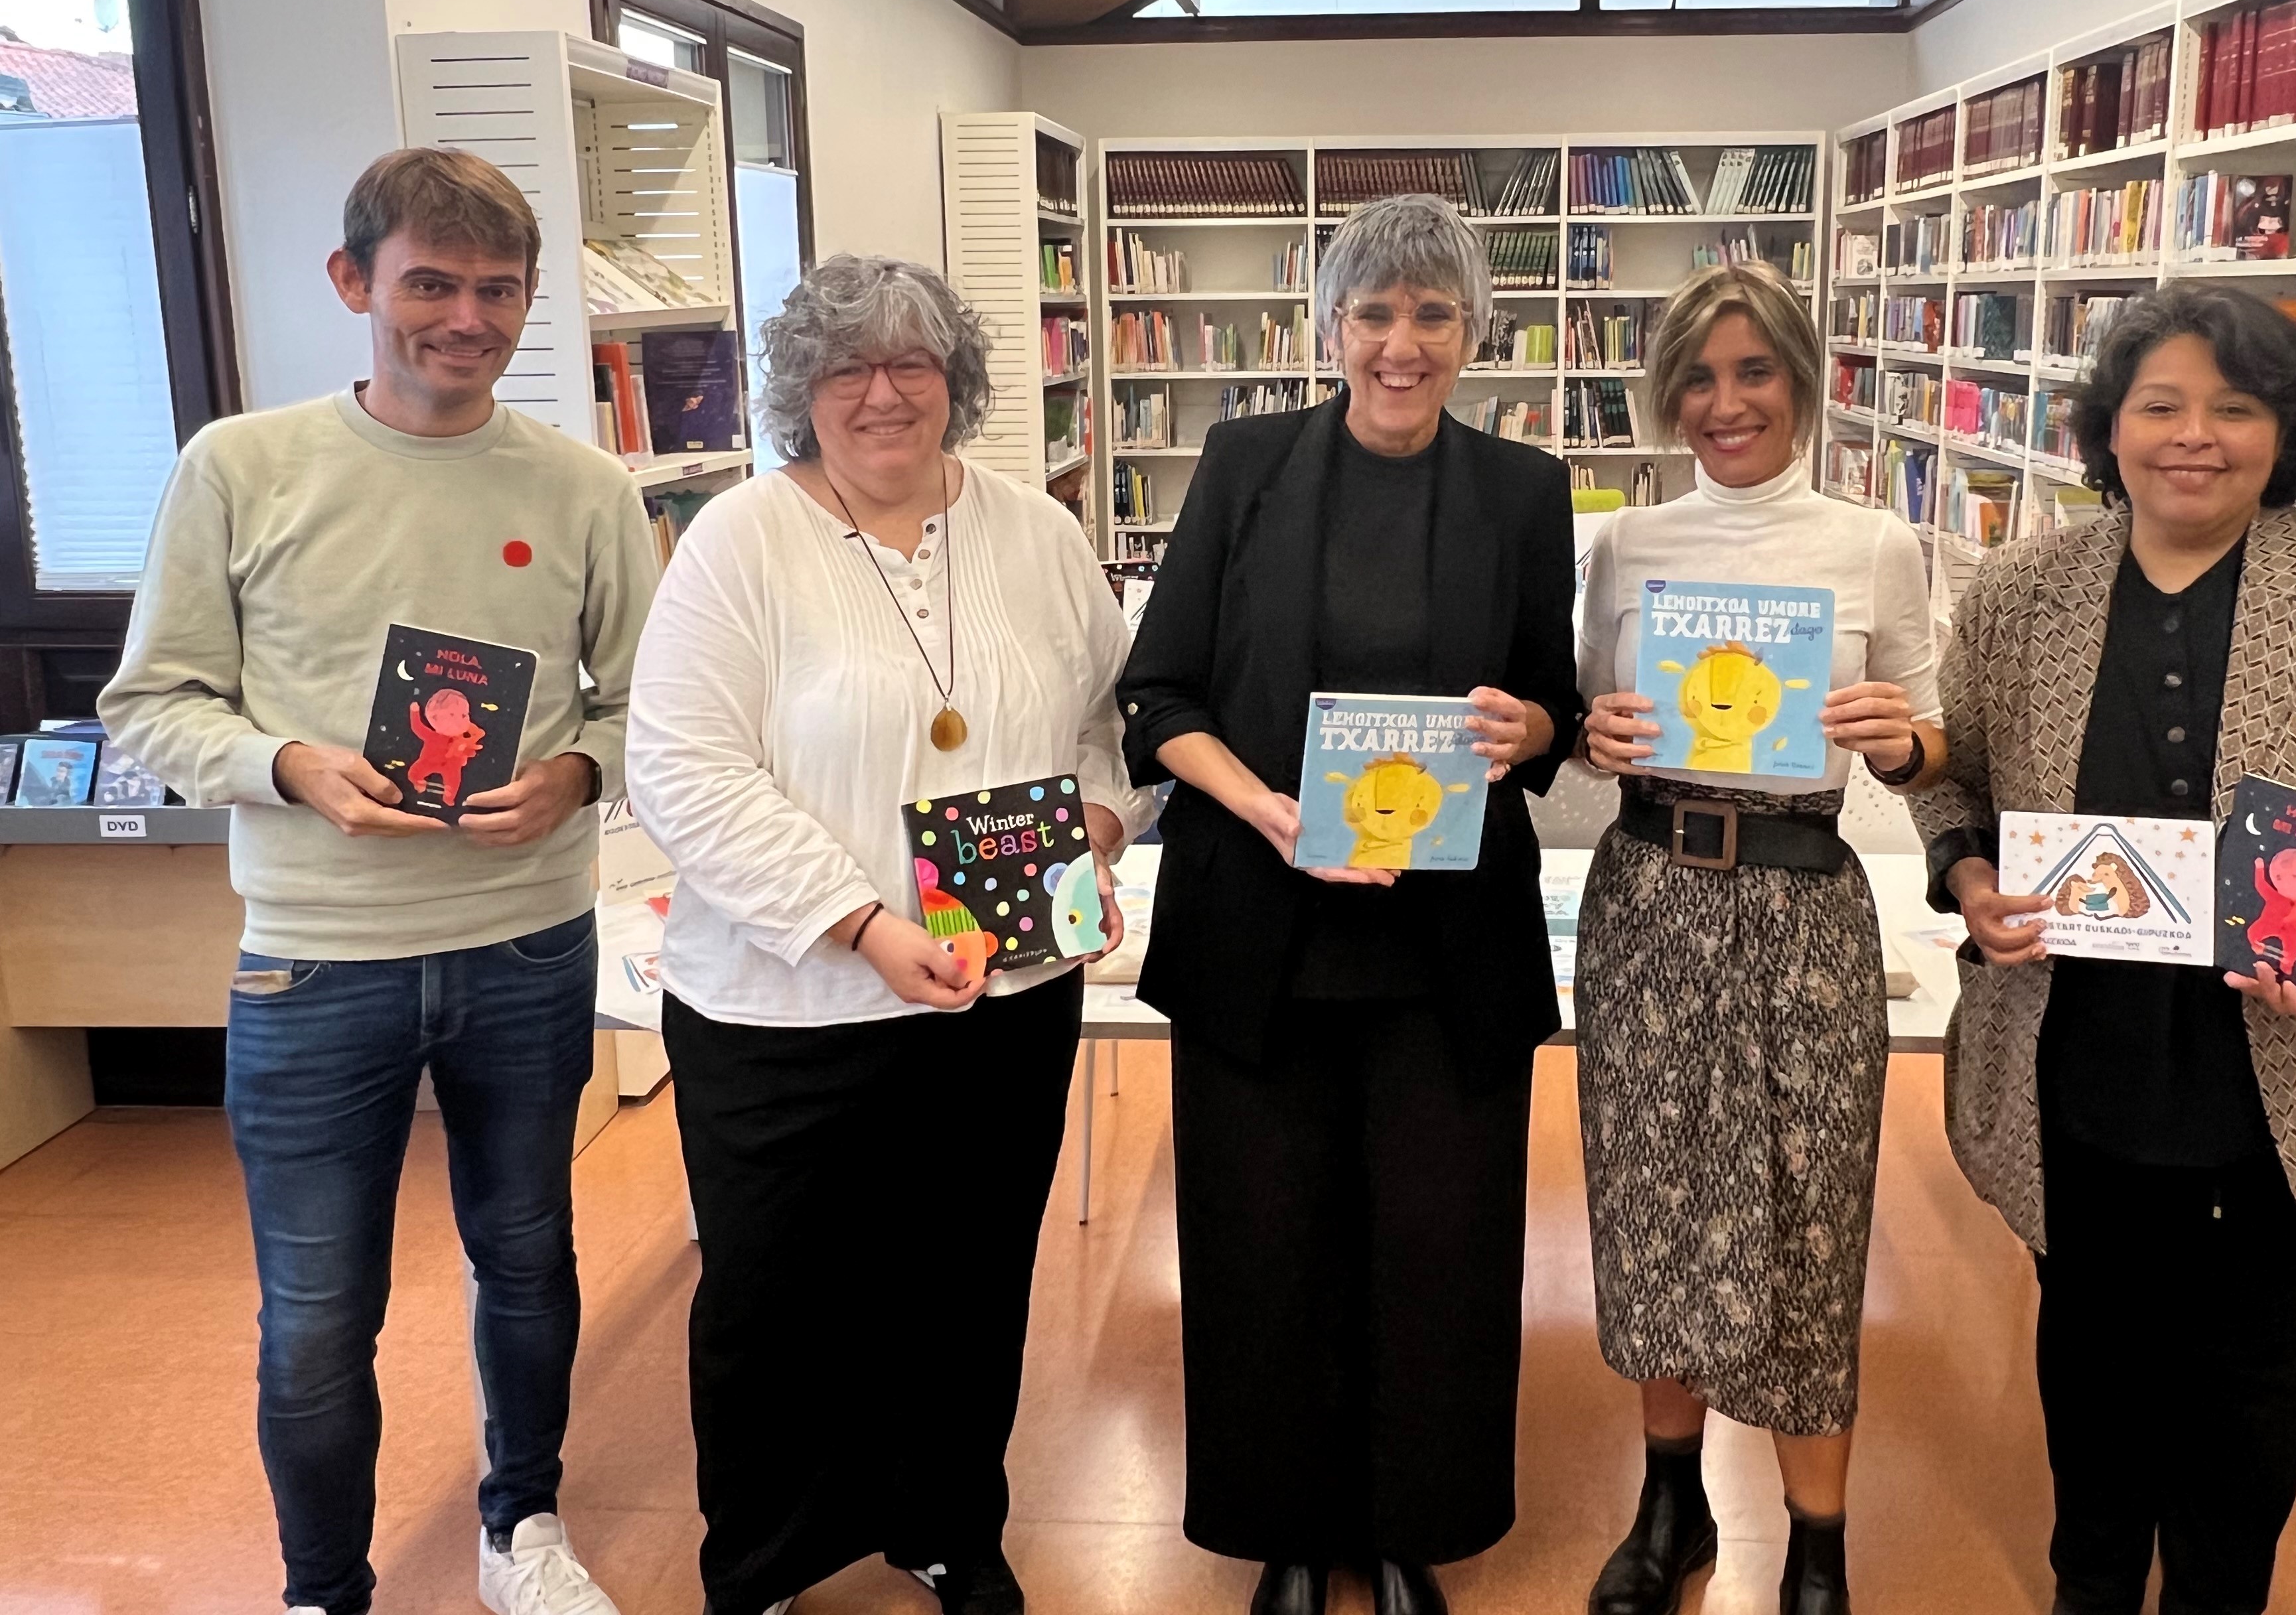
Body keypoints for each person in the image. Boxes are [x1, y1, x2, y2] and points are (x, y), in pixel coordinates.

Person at [1906, 285, 2296, 1615]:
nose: (2196, 437)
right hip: (2079, 1054)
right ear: (2109, 428)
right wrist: (1965, 874)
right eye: (2161, 405)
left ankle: (2218, 1593)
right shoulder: (2023, 590)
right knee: (2091, 1355)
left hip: (2292, 1067)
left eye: (2235, 409)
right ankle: (2091, 1582)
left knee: (2255, 1382)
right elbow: (1953, 778)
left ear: (2287, 432)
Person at [97, 148, 658, 1615]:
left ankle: (519, 1527)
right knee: (315, 1312)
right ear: (355, 283)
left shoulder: (587, 487)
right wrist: (290, 766)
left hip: (528, 944)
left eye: (495, 291)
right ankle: (320, 1588)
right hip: (312, 956)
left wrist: (580, 776)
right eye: (429, 283)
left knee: (529, 1257)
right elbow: (152, 705)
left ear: (529, 304)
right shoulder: (239, 467)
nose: (463, 319)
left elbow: (647, 703)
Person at [625, 255, 1156, 1615]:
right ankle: (760, 1562)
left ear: (957, 382)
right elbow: (684, 771)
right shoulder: (740, 543)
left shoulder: (1033, 532)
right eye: (845, 367)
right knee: (775, 1308)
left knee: (968, 1288)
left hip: (1003, 999)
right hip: (786, 1011)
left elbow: (1102, 718)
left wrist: (1095, 825)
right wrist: (859, 925)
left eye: (912, 363)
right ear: (801, 390)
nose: (881, 393)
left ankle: (947, 1528)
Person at [1116, 193, 1583, 1615]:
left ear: (1472, 334)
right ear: (1330, 329)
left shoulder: (1522, 490)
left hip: (1444, 948)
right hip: (1264, 927)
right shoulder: (1246, 463)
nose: (1401, 343)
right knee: (1263, 1241)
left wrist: (1529, 736)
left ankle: (1407, 1526)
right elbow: (1162, 695)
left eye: (1433, 315)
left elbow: (1550, 705)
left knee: (1441, 1248)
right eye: (1374, 314)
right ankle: (1285, 1528)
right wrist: (1262, 808)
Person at [1571, 260, 1946, 1615]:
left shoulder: (1873, 542)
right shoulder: (1624, 543)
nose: (1725, 404)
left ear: (1802, 379)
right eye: (1698, 379)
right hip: (1652, 904)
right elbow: (1576, 729)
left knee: (1809, 1219)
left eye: (1753, 372)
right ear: (1667, 397)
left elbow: (1942, 734)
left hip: (1805, 911)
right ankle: (1671, 1508)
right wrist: (1589, 733)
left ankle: (1819, 1545)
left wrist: (1906, 741)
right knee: (1653, 1207)